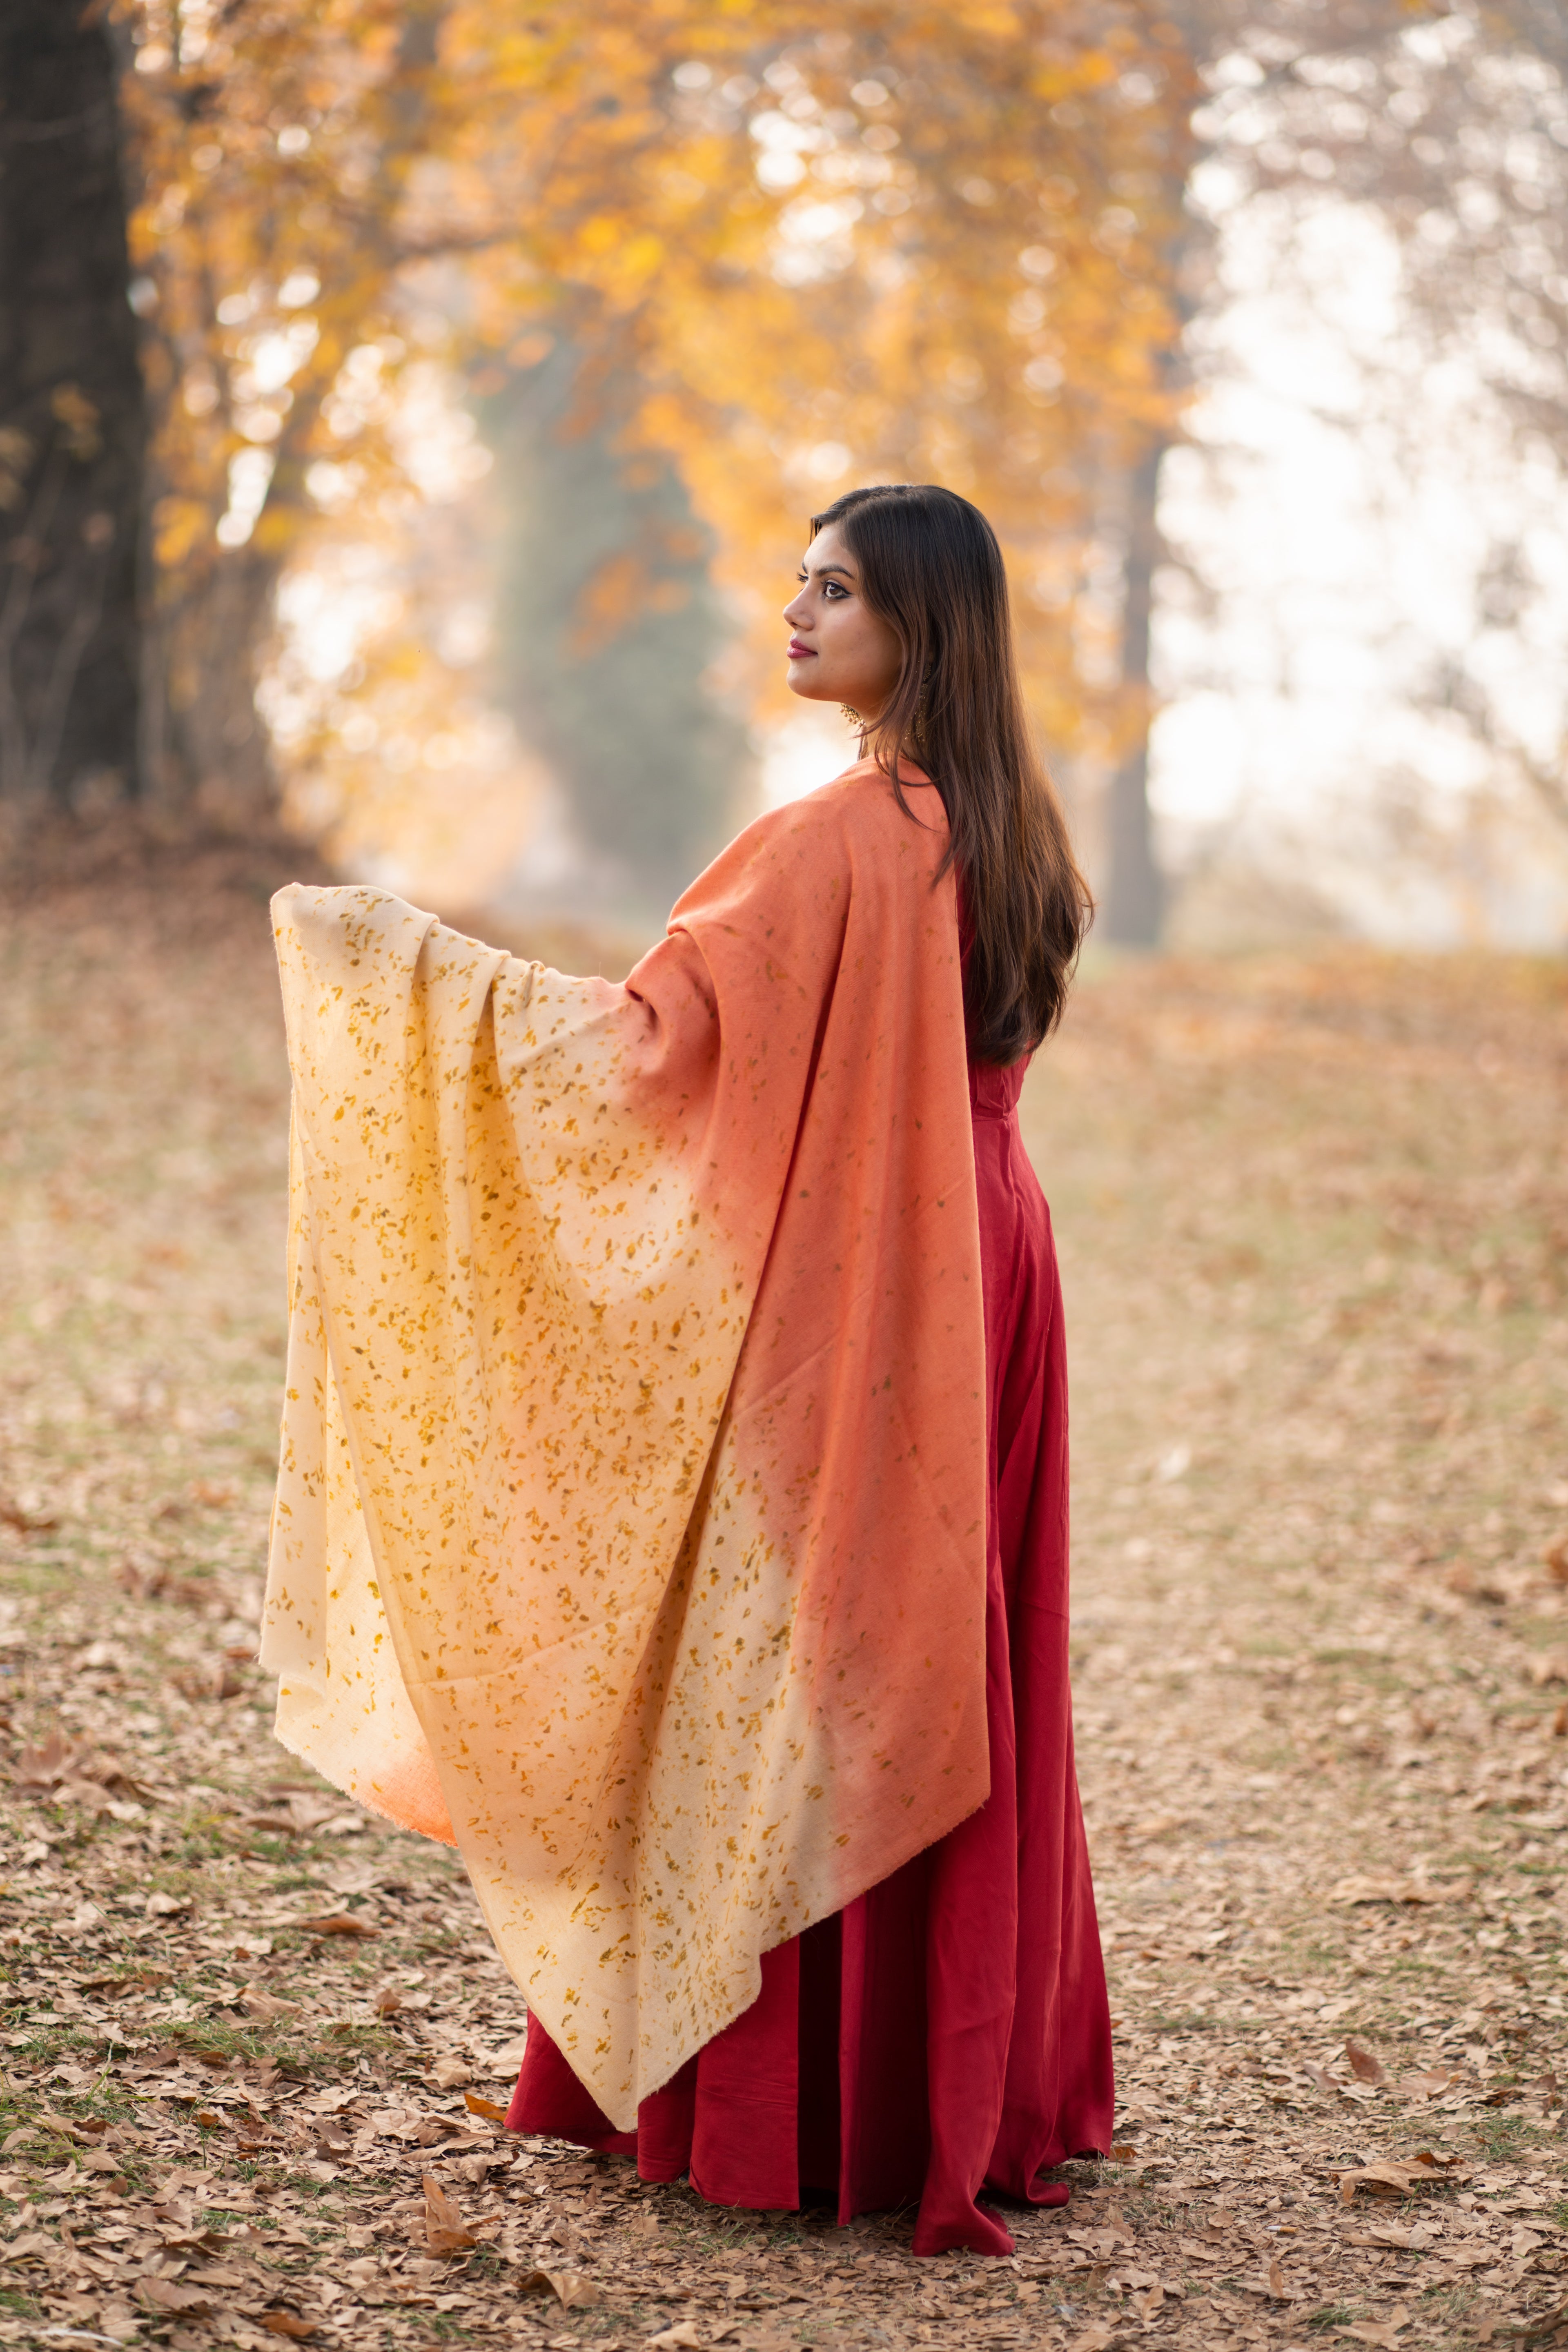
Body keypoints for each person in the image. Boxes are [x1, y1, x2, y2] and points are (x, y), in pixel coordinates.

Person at [261, 482, 1111, 2265]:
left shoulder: (831, 840)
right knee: (937, 1649)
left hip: (866, 1287)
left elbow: (635, 1051)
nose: (796, 614)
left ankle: (792, 2109)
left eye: (838, 592)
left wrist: (398, 971)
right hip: (995, 1262)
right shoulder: (1003, 827)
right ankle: (956, 2086)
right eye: (798, 582)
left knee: (787, 1657)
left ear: (922, 628)